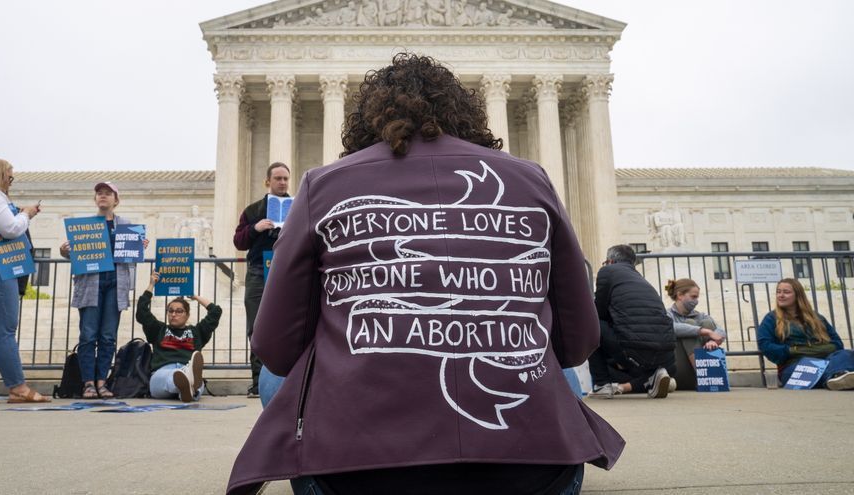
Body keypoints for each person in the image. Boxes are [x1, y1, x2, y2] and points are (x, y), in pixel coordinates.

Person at [227, 53, 624, 495]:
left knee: (272, 377)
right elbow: (578, 343)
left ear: (367, 119)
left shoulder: (322, 186)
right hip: (536, 476)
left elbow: (275, 349)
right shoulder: (532, 180)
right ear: (464, 112)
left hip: (355, 478)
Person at [60, 181, 147, 399]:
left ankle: (102, 381)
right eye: (99, 193)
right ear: (95, 199)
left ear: (116, 200)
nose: (103, 196)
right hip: (91, 283)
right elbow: (75, 254)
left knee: (108, 336)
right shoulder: (85, 225)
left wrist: (139, 246)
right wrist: (64, 251)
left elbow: (131, 256)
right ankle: (88, 383)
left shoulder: (125, 224)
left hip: (115, 284)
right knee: (88, 334)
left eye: (108, 193)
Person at [0, 157, 50, 404]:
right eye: (9, 175)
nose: (11, 181)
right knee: (5, 327)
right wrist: (26, 214)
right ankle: (17, 387)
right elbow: (9, 229)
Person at [588, 244, 676, 399]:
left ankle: (602, 385)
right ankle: (654, 374)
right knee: (633, 349)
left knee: (590, 324)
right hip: (665, 353)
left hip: (634, 347)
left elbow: (598, 311)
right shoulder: (640, 279)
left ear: (610, 261)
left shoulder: (607, 272)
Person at [233, 162, 290, 399]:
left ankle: (287, 380)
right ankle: (258, 382)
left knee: (287, 325)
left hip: (287, 273)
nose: (282, 182)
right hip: (258, 272)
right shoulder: (253, 210)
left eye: (286, 178)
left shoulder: (297, 207)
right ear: (268, 181)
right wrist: (255, 228)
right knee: (256, 327)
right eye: (277, 178)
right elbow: (239, 242)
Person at [136, 271, 223, 402]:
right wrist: (151, 285)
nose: (174, 314)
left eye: (179, 311)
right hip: (162, 372)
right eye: (170, 311)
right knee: (170, 378)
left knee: (193, 381)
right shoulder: (159, 329)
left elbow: (216, 311)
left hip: (187, 366)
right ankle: (187, 385)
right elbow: (142, 311)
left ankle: (188, 386)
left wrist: (195, 296)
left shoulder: (197, 332)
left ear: (187, 315)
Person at [757, 278, 854, 390]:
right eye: (778, 292)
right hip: (794, 366)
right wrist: (792, 351)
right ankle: (837, 376)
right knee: (820, 369)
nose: (781, 295)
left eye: (786, 292)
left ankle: (837, 377)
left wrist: (808, 350)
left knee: (845, 354)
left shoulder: (817, 317)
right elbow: (766, 346)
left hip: (825, 361)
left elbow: (837, 344)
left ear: (798, 295)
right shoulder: (771, 319)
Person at [665, 278, 726, 390]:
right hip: (678, 371)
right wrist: (703, 331)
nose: (696, 300)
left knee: (707, 322)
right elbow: (669, 328)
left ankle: (709, 376)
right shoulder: (667, 314)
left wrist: (713, 341)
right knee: (690, 325)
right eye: (693, 297)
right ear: (680, 295)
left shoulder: (700, 315)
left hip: (697, 376)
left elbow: (721, 332)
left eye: (697, 297)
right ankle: (703, 376)